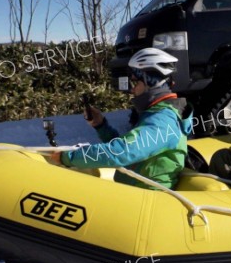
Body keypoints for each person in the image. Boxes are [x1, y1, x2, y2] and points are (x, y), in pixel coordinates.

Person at [51, 48, 193, 189]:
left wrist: (68, 158)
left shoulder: (163, 120)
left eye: (135, 82)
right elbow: (128, 148)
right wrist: (101, 126)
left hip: (147, 198)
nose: (132, 89)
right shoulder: (156, 114)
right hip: (136, 192)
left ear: (151, 82)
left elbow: (123, 152)